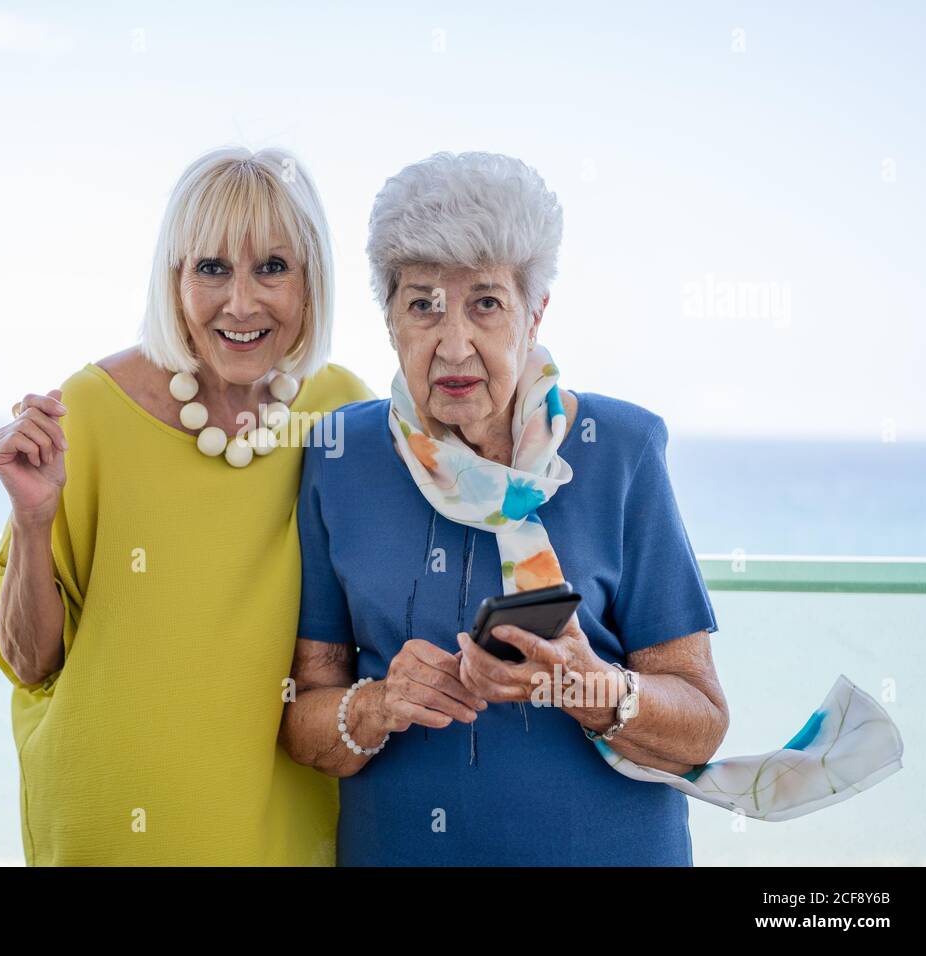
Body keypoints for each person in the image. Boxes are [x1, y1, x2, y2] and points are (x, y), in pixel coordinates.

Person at [280, 151, 730, 866]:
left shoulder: (621, 448)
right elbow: (303, 716)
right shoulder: (339, 455)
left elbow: (703, 724)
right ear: (390, 319)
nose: (453, 343)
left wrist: (587, 684)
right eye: (422, 303)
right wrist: (378, 704)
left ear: (534, 313)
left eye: (485, 302)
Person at [0, 146, 372, 865]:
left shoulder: (344, 414)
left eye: (272, 268)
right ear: (174, 279)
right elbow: (31, 662)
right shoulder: (90, 409)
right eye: (211, 268)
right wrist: (33, 524)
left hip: (281, 830)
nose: (241, 303)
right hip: (104, 825)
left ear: (311, 283)